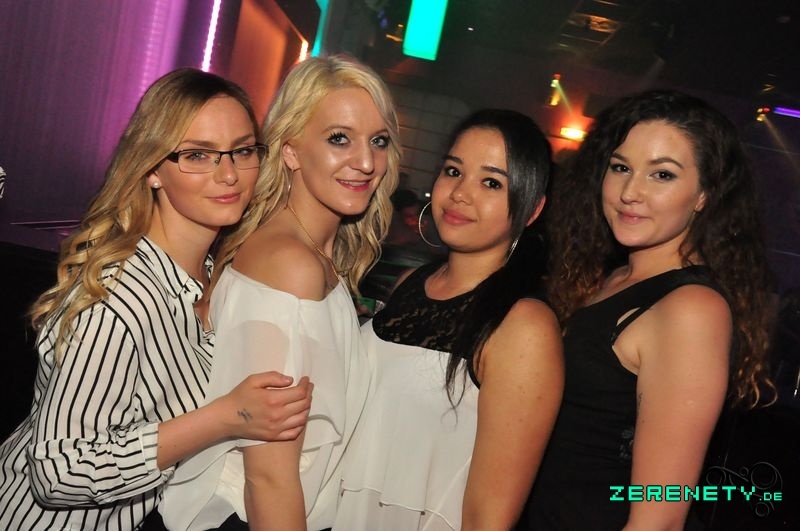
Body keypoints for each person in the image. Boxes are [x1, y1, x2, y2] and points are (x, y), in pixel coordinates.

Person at [0, 68, 313, 531]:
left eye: (243, 151)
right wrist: (225, 417)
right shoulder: (117, 296)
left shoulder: (215, 278)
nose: (229, 174)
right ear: (152, 170)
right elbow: (58, 472)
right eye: (197, 155)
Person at [159, 55, 400, 531]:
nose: (366, 162)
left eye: (378, 141)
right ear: (290, 151)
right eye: (339, 139)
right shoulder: (291, 265)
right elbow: (268, 476)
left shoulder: (313, 254)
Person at [520, 90, 775, 530]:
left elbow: (659, 519)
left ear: (704, 195)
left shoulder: (690, 310)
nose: (630, 192)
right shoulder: (610, 280)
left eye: (662, 175)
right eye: (621, 167)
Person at [333, 109, 564, 530]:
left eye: (491, 182)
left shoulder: (524, 326)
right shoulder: (408, 283)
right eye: (453, 171)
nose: (460, 193)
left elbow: (489, 519)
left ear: (532, 210)